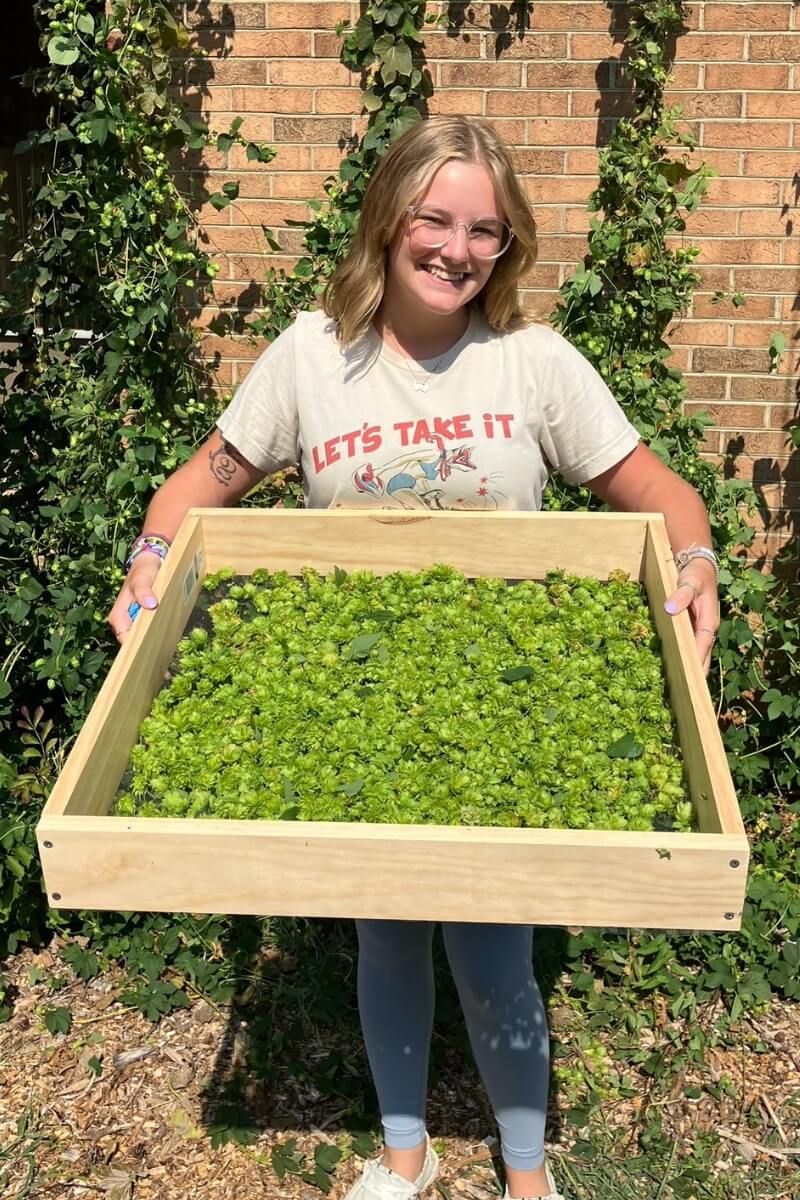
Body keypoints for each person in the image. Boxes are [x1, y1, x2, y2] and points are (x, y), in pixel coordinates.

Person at [109, 116, 720, 1200]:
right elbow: (193, 488)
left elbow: (657, 493)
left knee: (494, 949)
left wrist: (694, 554)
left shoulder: (533, 365)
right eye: (434, 219)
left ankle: (526, 1173)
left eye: (484, 229)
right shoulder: (310, 356)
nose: (455, 248)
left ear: (507, 243)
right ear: (387, 220)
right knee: (386, 935)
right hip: (346, 681)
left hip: (502, 697)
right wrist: (152, 559)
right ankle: (406, 1153)